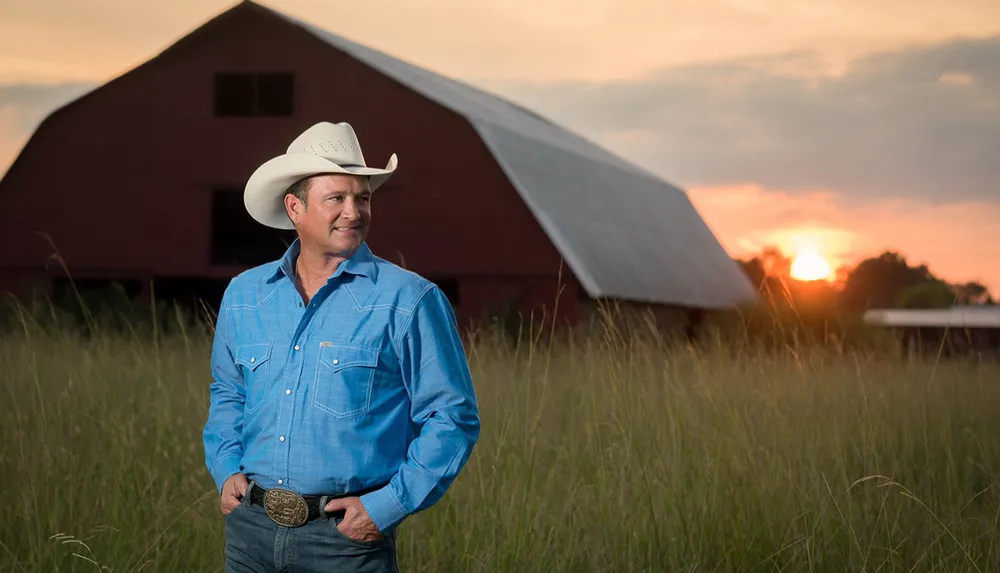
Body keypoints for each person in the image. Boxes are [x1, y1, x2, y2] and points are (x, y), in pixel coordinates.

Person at [203, 121, 481, 572]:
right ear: (295, 207)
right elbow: (229, 393)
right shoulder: (245, 295)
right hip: (249, 533)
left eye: (363, 197)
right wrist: (224, 468)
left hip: (345, 544)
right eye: (337, 198)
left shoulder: (409, 300)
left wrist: (388, 506)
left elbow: (453, 417)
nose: (354, 212)